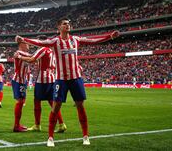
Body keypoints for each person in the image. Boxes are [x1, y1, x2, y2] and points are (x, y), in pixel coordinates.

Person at [16, 17, 119, 146]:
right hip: (61, 80)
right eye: (64, 24)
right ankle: (50, 138)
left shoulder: (75, 40)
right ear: (59, 27)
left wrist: (110, 36)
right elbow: (40, 42)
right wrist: (24, 40)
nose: (67, 25)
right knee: (55, 107)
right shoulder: (55, 41)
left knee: (80, 105)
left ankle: (85, 136)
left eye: (69, 24)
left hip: (76, 78)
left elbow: (92, 40)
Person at [14, 35, 67, 133]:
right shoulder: (52, 50)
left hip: (42, 79)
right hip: (52, 78)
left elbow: (32, 59)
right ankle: (61, 124)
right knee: (53, 102)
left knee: (37, 101)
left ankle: (37, 125)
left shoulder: (42, 49)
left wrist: (20, 56)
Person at [11, 42, 31, 132]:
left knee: (21, 101)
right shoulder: (20, 53)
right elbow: (33, 57)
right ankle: (16, 125)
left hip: (22, 80)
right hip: (18, 80)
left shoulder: (22, 54)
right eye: (26, 44)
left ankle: (17, 124)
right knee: (20, 102)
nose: (28, 45)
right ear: (21, 45)